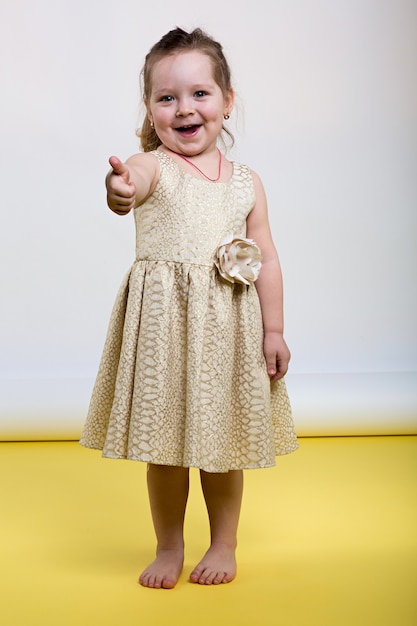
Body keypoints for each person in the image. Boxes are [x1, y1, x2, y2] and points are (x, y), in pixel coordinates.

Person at [80, 27, 298, 589]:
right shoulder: (151, 164)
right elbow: (132, 185)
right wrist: (120, 188)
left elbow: (266, 257)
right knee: (167, 448)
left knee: (222, 448)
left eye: (200, 93)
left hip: (228, 329)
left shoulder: (247, 182)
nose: (184, 108)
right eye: (167, 97)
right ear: (150, 109)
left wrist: (273, 330)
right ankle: (169, 546)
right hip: (166, 331)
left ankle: (224, 543)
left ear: (228, 101)